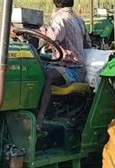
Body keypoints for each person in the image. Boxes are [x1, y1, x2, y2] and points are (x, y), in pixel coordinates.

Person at [34, 0, 91, 132]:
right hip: (78, 68)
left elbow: (51, 38)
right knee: (42, 68)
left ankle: (41, 119)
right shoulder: (78, 19)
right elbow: (88, 43)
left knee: (45, 76)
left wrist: (36, 31)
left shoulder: (60, 19)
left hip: (72, 70)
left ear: (55, 3)